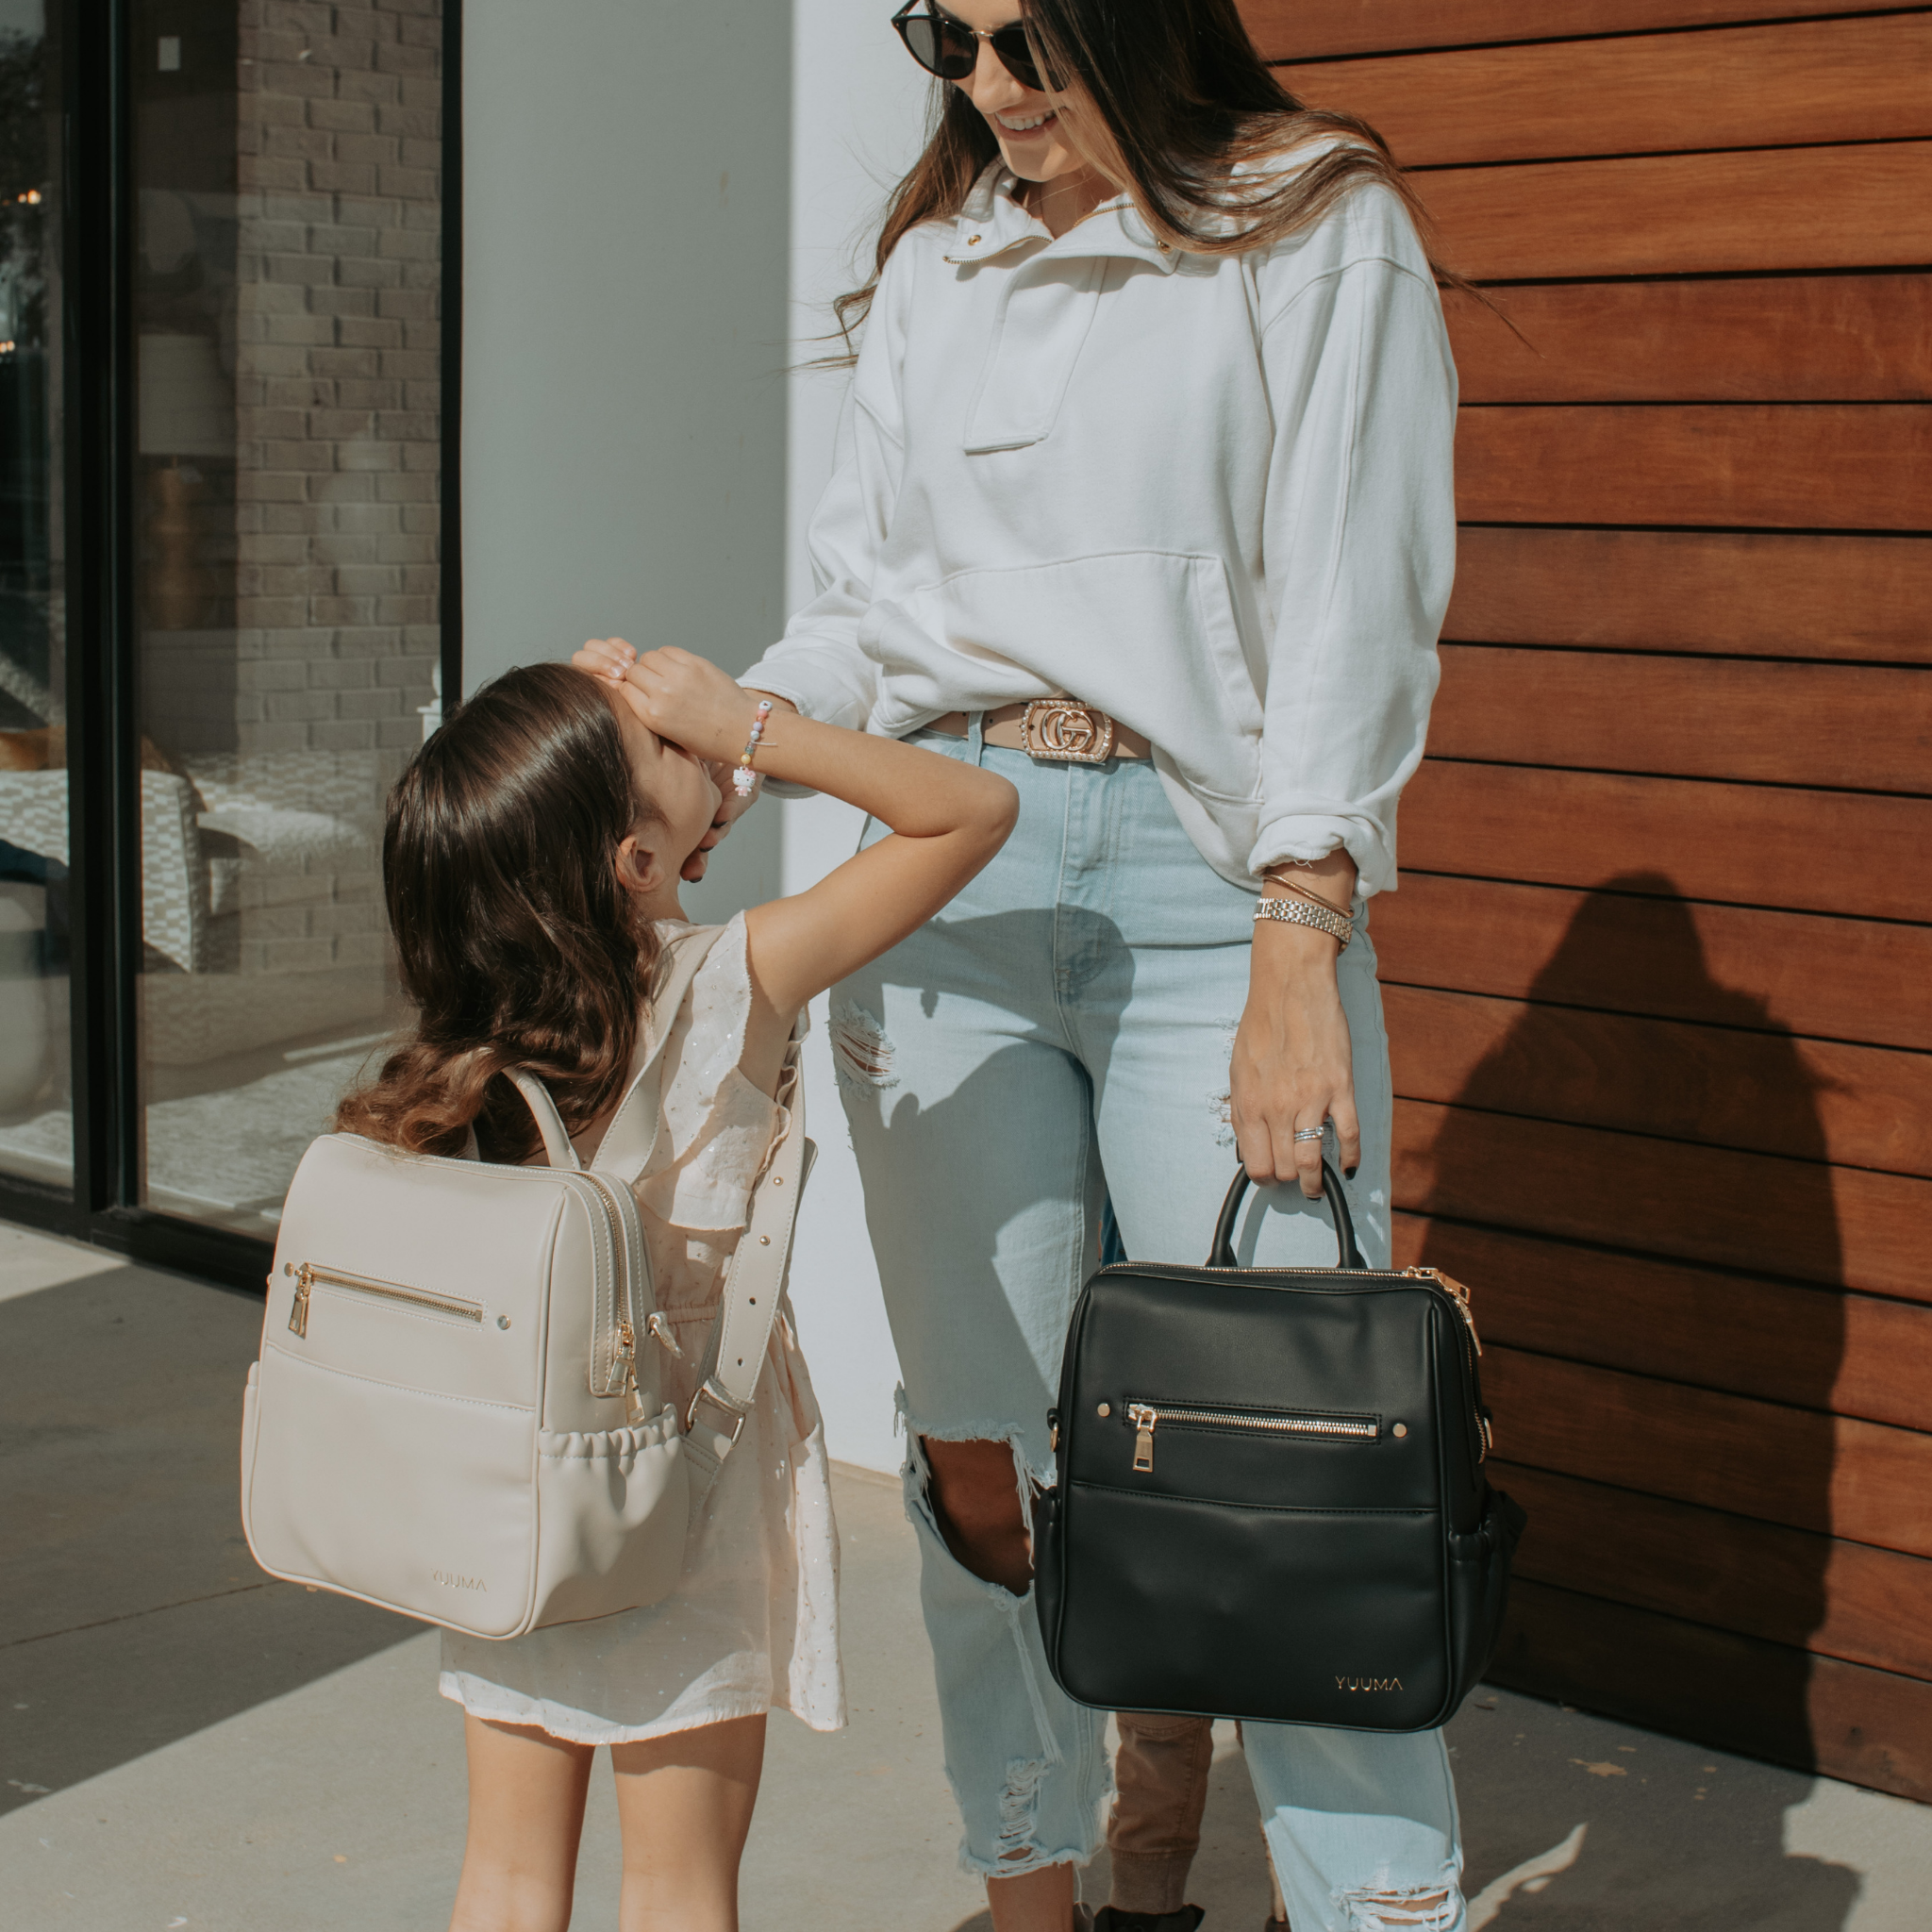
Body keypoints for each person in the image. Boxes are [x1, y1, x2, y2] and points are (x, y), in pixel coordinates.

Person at [595, 0, 1463, 1920]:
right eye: (937, 35)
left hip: (1211, 880)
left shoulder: (1311, 222)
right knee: (983, 1453)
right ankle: (1041, 1884)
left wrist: (1300, 930)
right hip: (944, 880)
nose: (983, 84)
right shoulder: (942, 257)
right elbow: (870, 614)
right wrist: (716, 716)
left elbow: (1356, 592)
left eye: (1018, 35)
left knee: (1299, 1447)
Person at [334, 654, 1017, 1932]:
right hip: (680, 1490)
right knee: (680, 1887)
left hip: (509, 1484)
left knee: (506, 1877)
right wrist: (755, 727)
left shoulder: (465, 1043)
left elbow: (618, 875)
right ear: (634, 864)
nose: (701, 747)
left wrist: (679, 806)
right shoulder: (733, 982)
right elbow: (969, 809)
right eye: (669, 748)